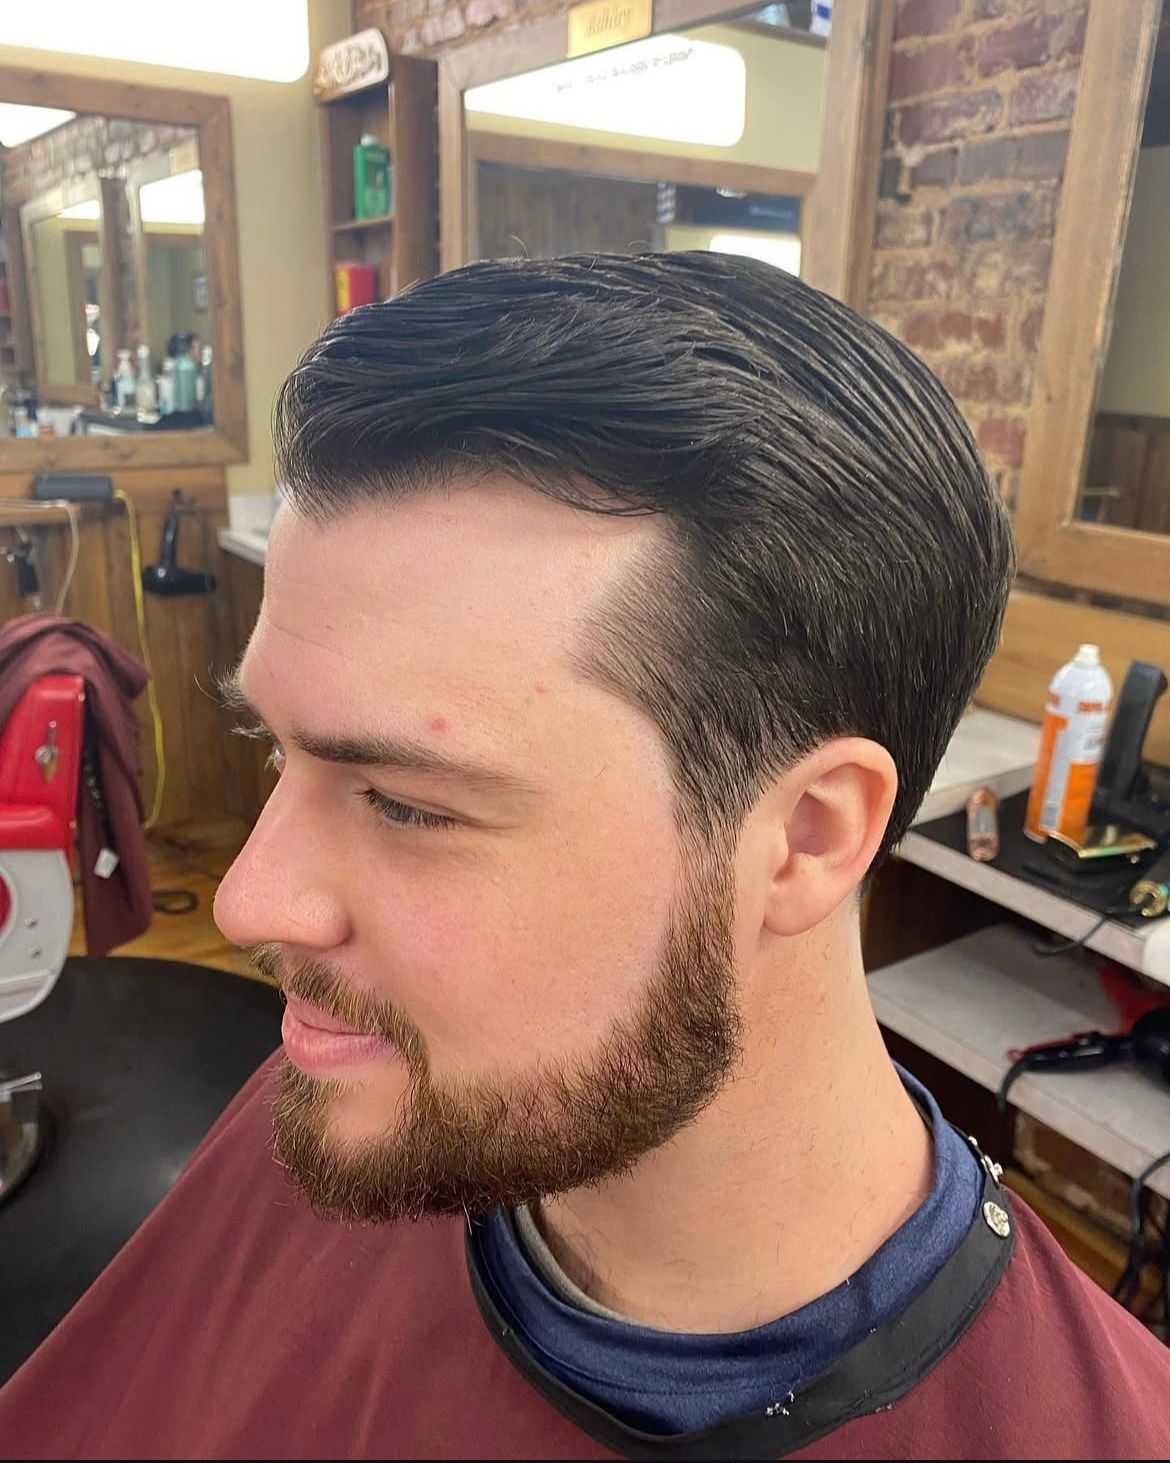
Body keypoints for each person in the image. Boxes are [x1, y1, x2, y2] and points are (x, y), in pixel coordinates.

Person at [1, 253, 1167, 1461]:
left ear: (810, 835)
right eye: (273, 749)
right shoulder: (347, 1102)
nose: (251, 900)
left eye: (404, 804)